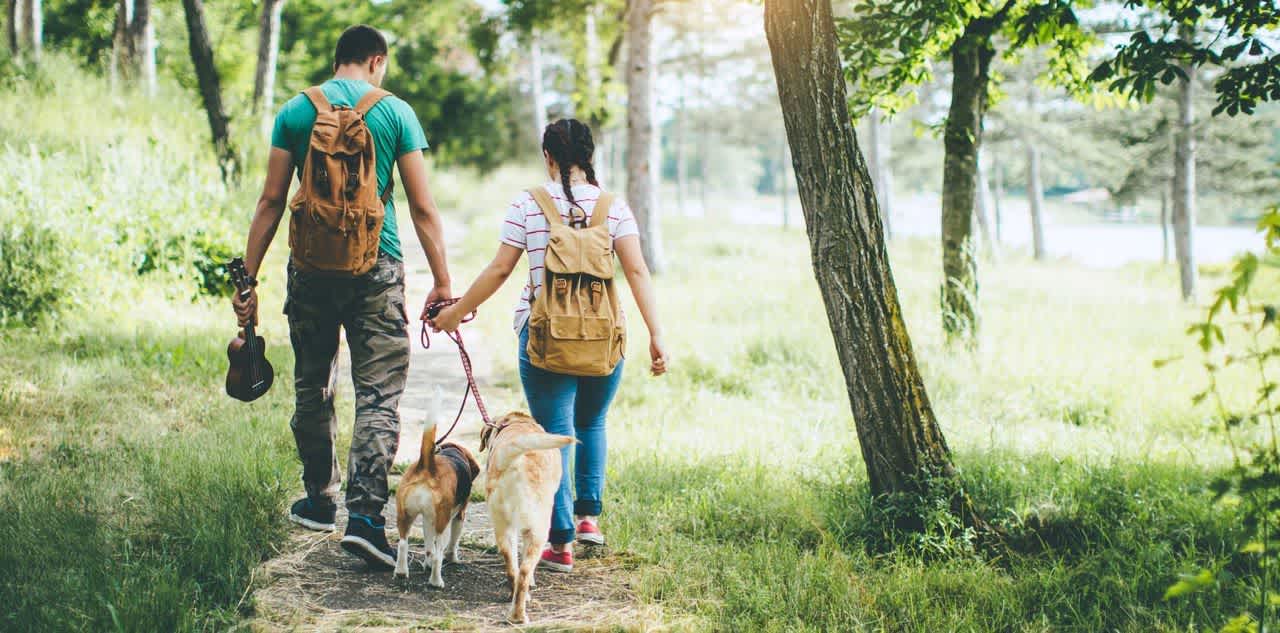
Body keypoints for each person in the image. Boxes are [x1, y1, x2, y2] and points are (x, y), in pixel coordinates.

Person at [231, 24, 452, 570]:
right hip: (379, 265)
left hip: (309, 267)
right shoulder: (395, 112)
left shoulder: (295, 111)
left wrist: (248, 278)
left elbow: (270, 201)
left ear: (338, 61)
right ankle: (366, 519)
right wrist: (444, 283)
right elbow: (423, 209)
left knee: (313, 383)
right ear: (376, 61)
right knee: (377, 394)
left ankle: (317, 499)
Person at [430, 118, 667, 573]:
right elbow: (637, 272)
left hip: (544, 337)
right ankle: (588, 519)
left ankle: (559, 545)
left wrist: (455, 315)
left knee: (553, 432)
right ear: (590, 156)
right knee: (592, 421)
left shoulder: (528, 204)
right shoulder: (614, 209)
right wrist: (657, 335)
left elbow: (500, 270)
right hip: (603, 337)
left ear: (549, 157)